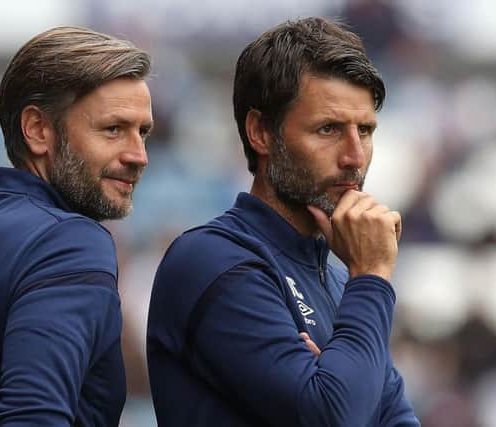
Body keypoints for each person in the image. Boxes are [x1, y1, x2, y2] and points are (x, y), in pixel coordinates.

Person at [147, 17, 420, 426]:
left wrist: (335, 374)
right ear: (260, 132)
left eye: (364, 130)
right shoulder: (212, 260)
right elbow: (334, 416)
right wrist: (371, 276)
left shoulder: (341, 278)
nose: (355, 156)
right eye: (328, 129)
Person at [0, 26, 153, 426]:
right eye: (113, 129)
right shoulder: (71, 242)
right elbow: (34, 416)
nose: (139, 155)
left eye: (143, 132)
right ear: (37, 130)